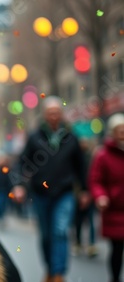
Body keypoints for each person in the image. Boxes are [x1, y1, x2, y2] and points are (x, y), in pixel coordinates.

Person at [11, 96, 90, 282]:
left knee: (60, 231)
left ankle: (58, 274)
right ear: (45, 115)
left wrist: (85, 190)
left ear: (61, 115)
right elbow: (22, 164)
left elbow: (81, 166)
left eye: (57, 112)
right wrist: (19, 186)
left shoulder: (71, 138)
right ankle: (49, 269)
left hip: (65, 193)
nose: (54, 116)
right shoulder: (34, 137)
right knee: (46, 236)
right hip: (41, 194)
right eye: (50, 113)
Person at [89, 113, 124, 282]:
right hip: (114, 210)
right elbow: (96, 180)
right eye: (120, 131)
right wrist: (101, 196)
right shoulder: (103, 155)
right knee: (117, 248)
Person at [72, 137, 97, 258]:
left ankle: (92, 244)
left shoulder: (93, 158)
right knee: (78, 221)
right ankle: (78, 242)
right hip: (77, 194)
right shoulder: (73, 158)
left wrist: (91, 194)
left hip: (91, 193)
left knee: (91, 220)